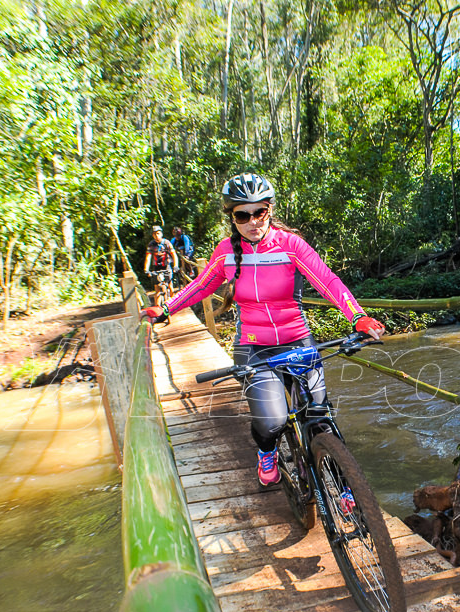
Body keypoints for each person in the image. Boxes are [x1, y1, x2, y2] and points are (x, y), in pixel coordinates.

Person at [141, 173, 386, 486]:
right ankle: (267, 452)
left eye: (260, 212)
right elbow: (201, 287)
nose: (253, 221)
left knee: (320, 419)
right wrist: (164, 309)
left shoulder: (290, 245)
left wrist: (358, 317)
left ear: (269, 210)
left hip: (297, 340)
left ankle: (344, 485)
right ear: (232, 217)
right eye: (243, 214)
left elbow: (327, 281)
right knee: (272, 421)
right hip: (253, 347)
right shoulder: (226, 252)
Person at [144, 226, 177, 304]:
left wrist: (175, 266)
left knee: (170, 287)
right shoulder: (151, 244)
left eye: (158, 233)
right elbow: (148, 257)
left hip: (166, 266)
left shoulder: (166, 243)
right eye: (154, 234)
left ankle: (174, 304)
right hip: (156, 268)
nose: (157, 236)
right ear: (152, 235)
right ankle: (157, 309)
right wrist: (146, 269)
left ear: (161, 234)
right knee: (157, 290)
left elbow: (174, 255)